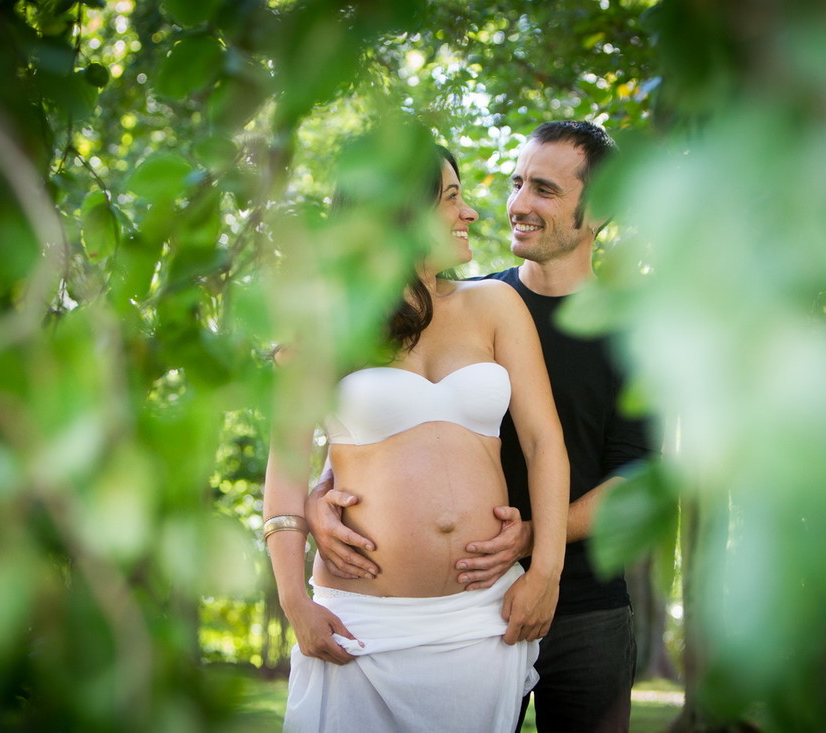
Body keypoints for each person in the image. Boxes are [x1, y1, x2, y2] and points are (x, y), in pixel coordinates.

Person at [306, 120, 655, 733]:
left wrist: (535, 551)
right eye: (518, 183)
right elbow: (378, 431)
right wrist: (316, 502)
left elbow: (643, 480)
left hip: (585, 605)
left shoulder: (639, 335)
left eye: (543, 190)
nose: (517, 203)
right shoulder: (470, 303)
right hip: (470, 605)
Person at [262, 136, 570, 733]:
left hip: (480, 623)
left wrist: (546, 573)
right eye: (450, 198)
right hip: (359, 626)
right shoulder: (325, 322)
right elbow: (284, 470)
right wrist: (294, 600)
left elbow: (543, 443)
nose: (470, 212)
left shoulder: (496, 305)